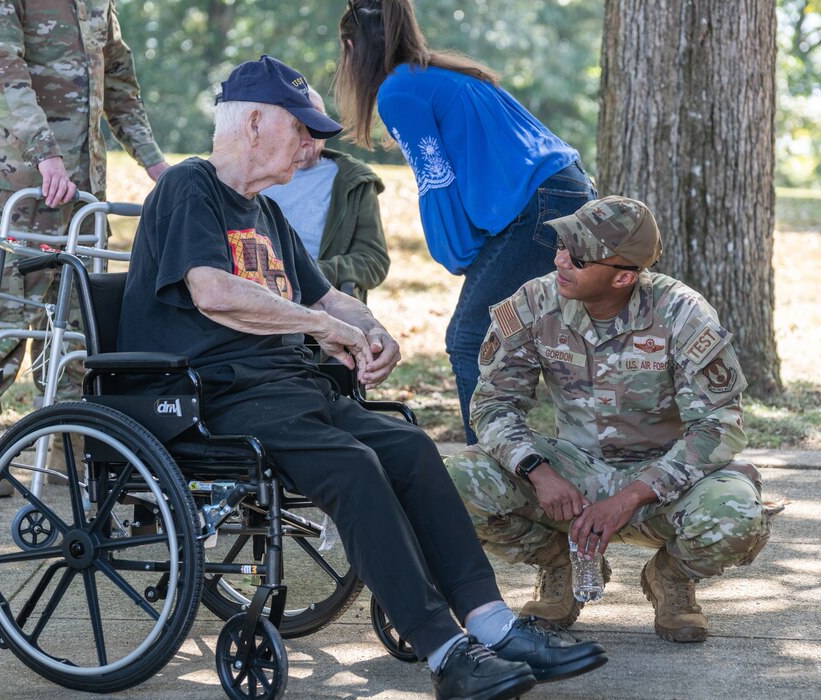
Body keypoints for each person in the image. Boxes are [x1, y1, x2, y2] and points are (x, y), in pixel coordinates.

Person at [118, 55, 607, 700]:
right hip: (211, 395)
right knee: (353, 466)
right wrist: (325, 330)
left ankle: (493, 625)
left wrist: (372, 332)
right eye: (303, 130)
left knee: (409, 447)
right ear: (256, 122)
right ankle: (444, 652)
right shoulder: (190, 188)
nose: (313, 145)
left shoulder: (265, 212)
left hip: (288, 389)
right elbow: (212, 292)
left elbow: (328, 301)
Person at [446, 196, 772, 644]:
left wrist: (633, 496)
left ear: (623, 276)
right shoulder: (534, 302)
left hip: (663, 481)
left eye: (577, 257)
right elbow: (492, 403)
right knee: (455, 482)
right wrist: (535, 471)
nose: (560, 260)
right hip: (572, 474)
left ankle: (671, 578)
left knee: (737, 514)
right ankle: (559, 562)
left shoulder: (681, 313)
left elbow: (719, 424)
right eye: (561, 246)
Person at [335, 0, 597, 444]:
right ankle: (548, 455)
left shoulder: (398, 92)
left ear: (350, 47)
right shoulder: (445, 74)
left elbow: (435, 180)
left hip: (539, 204)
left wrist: (456, 253)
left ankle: (493, 471)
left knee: (469, 336)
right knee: (539, 335)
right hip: (568, 191)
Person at [0, 0, 168, 412]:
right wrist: (45, 154)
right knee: (4, 332)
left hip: (84, 195)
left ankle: (63, 465)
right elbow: (2, 67)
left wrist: (156, 164)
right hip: (25, 190)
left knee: (77, 340)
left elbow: (119, 86)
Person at [262, 87, 390, 303]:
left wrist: (311, 273)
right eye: (301, 121)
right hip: (260, 291)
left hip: (322, 297)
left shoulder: (353, 181)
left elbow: (373, 261)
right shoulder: (256, 177)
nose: (311, 131)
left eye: (317, 119)